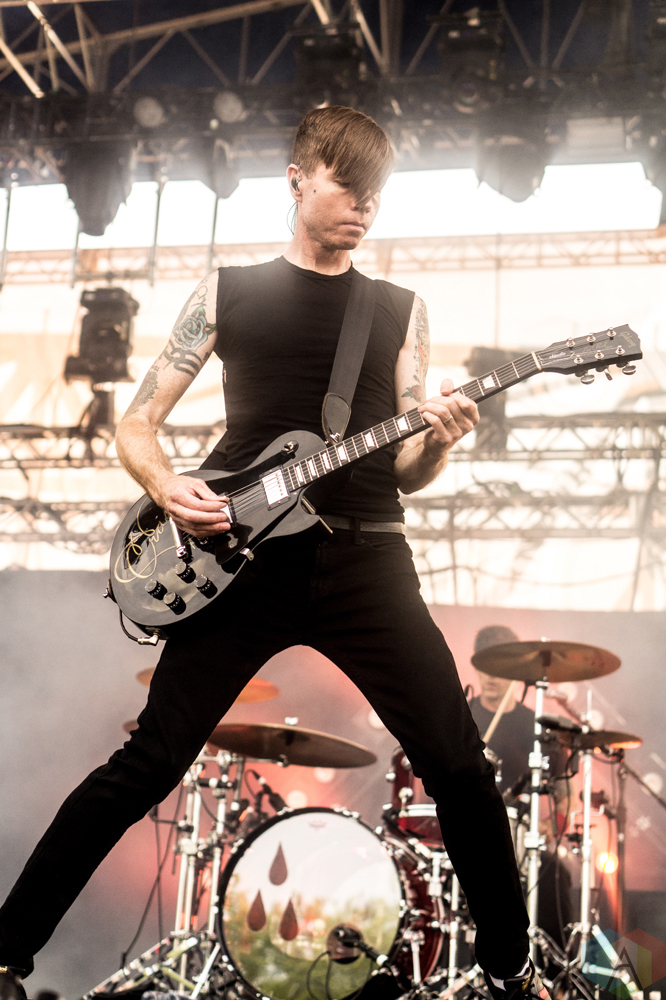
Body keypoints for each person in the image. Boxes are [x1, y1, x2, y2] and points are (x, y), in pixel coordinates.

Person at [0, 107, 548, 1000]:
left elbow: (408, 472)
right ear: (298, 177)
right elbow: (137, 424)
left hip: (369, 560)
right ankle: (5, 952)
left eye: (376, 196)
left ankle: (509, 972)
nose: (364, 208)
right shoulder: (229, 292)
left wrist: (442, 441)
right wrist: (167, 485)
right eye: (348, 187)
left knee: (458, 764)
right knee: (148, 763)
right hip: (241, 561)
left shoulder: (399, 310)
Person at [470, 625, 573, 960]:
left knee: (556, 874)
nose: (491, 677)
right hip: (465, 835)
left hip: (518, 842)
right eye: (485, 667)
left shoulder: (535, 726)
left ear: (515, 671)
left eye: (500, 668)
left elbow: (563, 788)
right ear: (475, 667)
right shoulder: (460, 719)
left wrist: (552, 824)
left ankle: (556, 972)